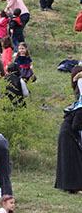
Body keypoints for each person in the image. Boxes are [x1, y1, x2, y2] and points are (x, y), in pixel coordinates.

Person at [54, 65, 82, 193]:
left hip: (67, 134)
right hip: (68, 134)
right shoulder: (80, 107)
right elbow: (76, 125)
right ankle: (73, 187)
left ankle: (69, 186)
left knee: (69, 161)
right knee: (72, 161)